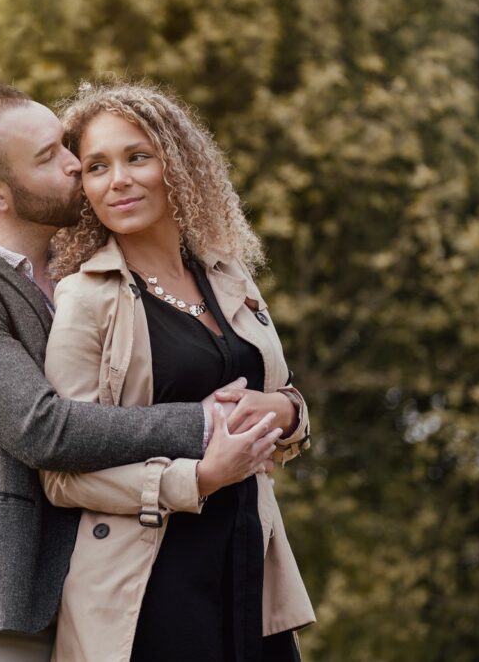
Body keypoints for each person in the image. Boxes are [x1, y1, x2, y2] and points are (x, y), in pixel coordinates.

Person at [0, 82, 283, 662]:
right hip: (12, 606)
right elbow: (44, 430)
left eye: (65, 145)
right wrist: (204, 425)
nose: (75, 164)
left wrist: (285, 408)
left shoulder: (92, 267)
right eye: (50, 157)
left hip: (119, 580)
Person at [39, 81, 315, 662]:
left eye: (137, 157)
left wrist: (286, 412)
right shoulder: (84, 299)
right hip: (146, 588)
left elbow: (280, 396)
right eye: (96, 166)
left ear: (177, 164)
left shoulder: (228, 274)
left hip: (249, 564)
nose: (118, 180)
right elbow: (63, 473)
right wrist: (199, 479)